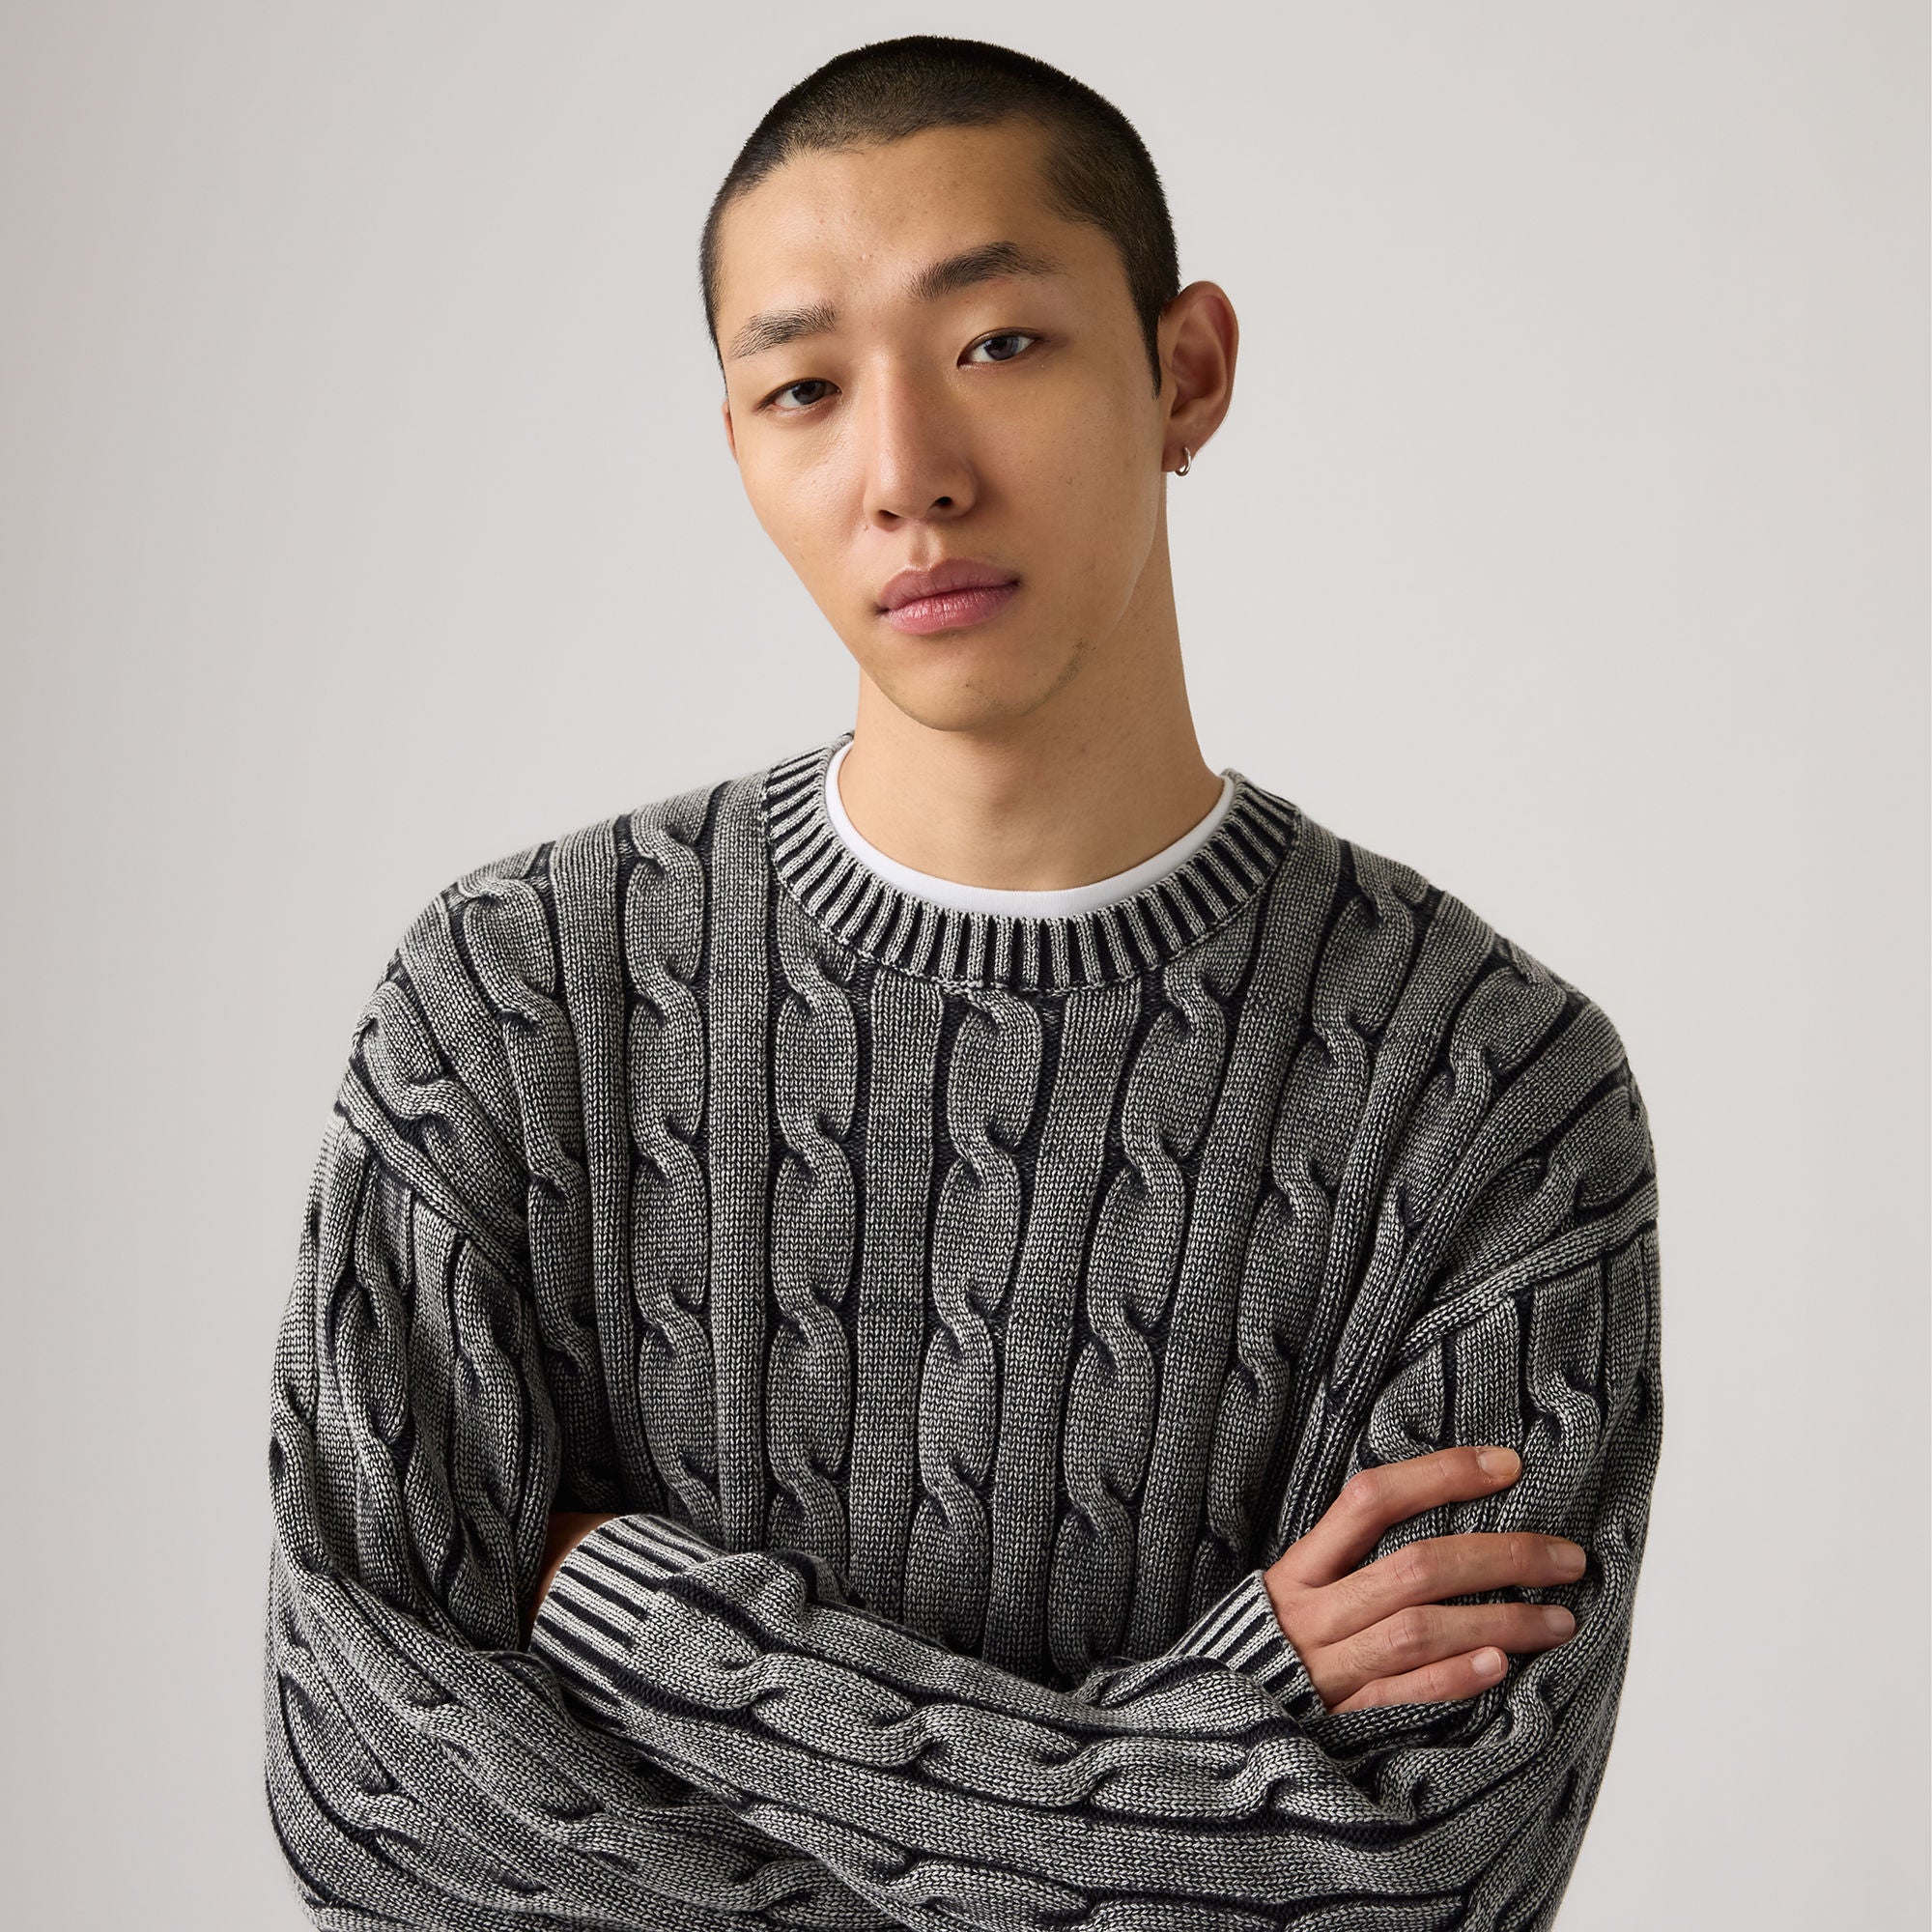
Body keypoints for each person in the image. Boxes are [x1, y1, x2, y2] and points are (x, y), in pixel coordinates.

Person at [262, 33, 1662, 1931]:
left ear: (1186, 371)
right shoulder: (512, 1009)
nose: (907, 475)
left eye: (998, 344)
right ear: (739, 445)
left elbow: (1408, 1891)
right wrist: (1219, 1723)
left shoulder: (1489, 1096)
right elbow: (381, 1819)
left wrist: (634, 1618)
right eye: (804, 388)